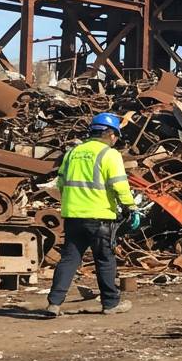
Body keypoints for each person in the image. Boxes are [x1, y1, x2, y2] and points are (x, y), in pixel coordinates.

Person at [46, 112, 139, 316]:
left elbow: (60, 183)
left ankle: (54, 303)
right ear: (110, 134)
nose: (116, 140)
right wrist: (131, 207)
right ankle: (110, 304)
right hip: (100, 217)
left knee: (69, 259)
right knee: (105, 259)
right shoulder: (109, 154)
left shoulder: (73, 153)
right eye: (116, 135)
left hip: (73, 216)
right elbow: (119, 185)